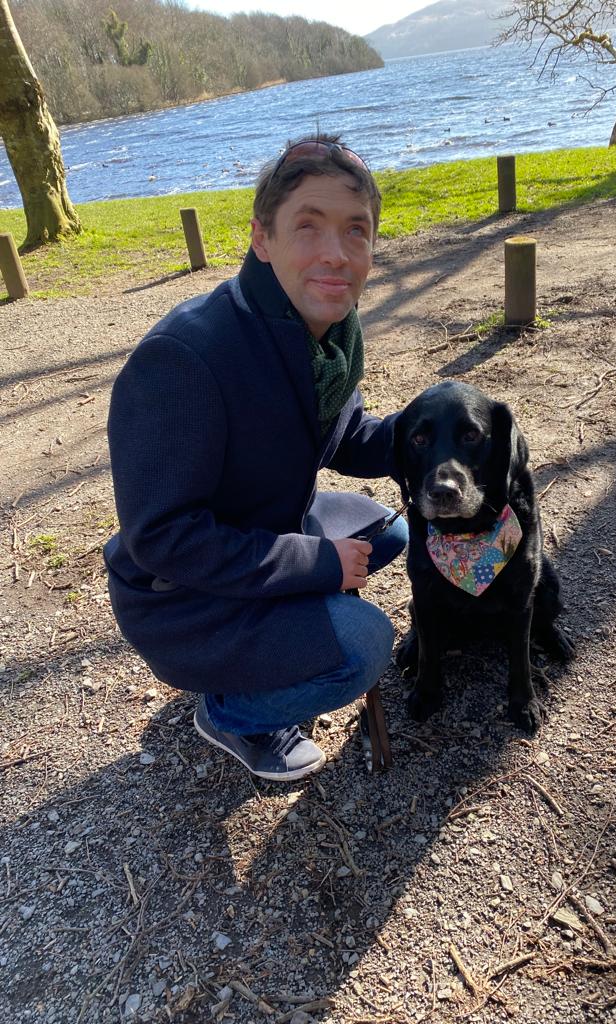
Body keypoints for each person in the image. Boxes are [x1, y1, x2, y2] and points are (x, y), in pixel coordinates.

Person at [104, 134, 408, 782]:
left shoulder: (325, 336)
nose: (336, 253)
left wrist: (432, 431)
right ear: (261, 239)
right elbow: (162, 538)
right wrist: (318, 563)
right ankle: (233, 710)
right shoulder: (186, 360)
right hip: (182, 598)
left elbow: (346, 434)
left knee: (395, 531)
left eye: (357, 230)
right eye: (308, 226)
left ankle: (271, 656)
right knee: (364, 646)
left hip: (268, 526)